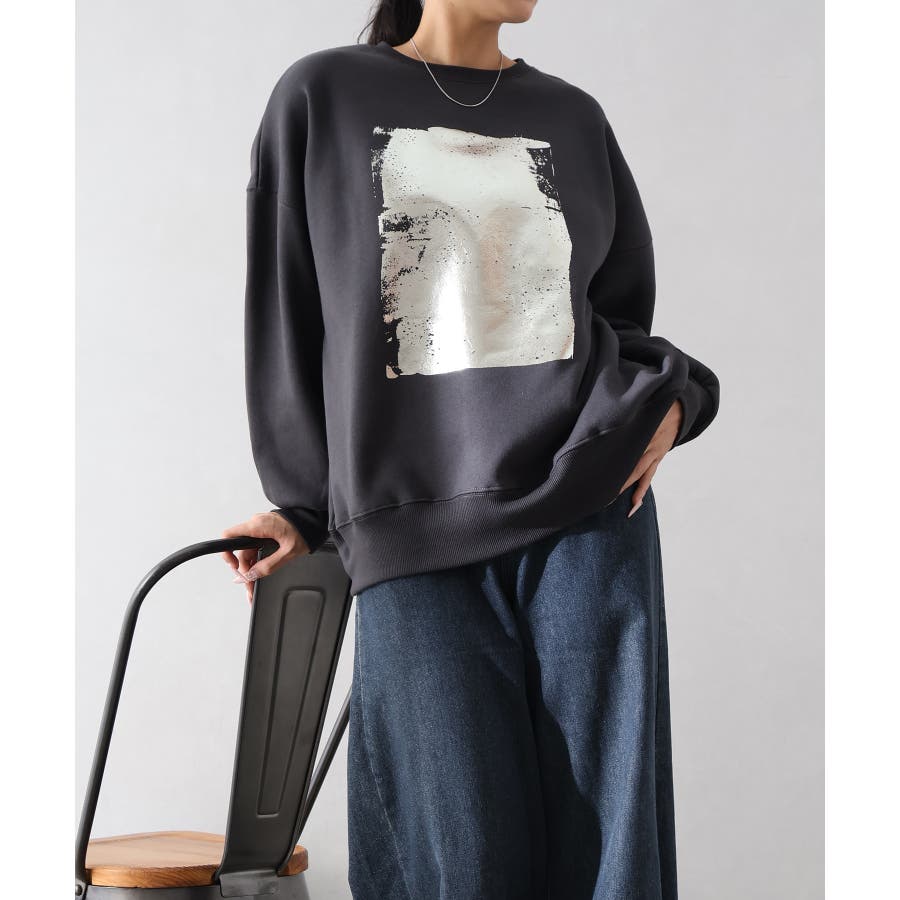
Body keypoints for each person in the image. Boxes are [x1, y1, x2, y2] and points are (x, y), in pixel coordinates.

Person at [222, 1, 720, 897]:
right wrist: (303, 506)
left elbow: (619, 319)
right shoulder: (323, 96)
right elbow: (288, 314)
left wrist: (674, 403)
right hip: (410, 530)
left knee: (610, 857)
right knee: (458, 856)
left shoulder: (571, 116)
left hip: (589, 518)